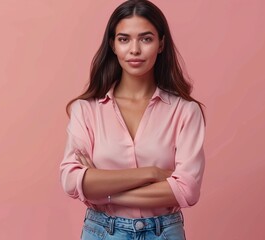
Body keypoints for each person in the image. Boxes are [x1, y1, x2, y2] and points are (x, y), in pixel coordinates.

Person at [59, 0, 206, 239]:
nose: (134, 49)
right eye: (124, 39)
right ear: (113, 45)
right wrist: (152, 173)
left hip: (164, 232)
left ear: (161, 44)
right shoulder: (85, 110)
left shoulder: (186, 111)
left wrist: (101, 190)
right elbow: (71, 180)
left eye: (146, 39)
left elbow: (187, 189)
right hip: (102, 232)